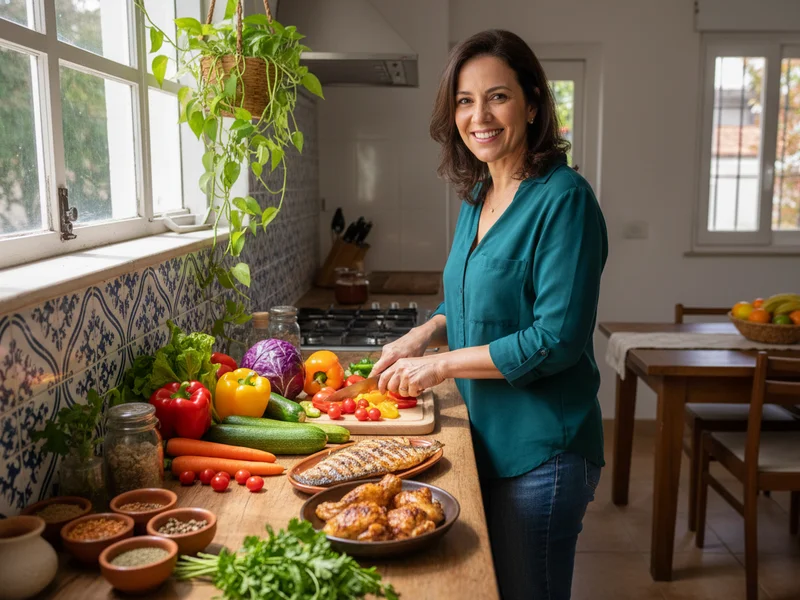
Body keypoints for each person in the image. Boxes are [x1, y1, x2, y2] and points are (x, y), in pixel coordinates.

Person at [370, 29, 608, 600]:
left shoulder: (565, 199)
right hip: (483, 443)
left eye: (497, 96)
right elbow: (471, 299)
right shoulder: (478, 195)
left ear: (531, 102)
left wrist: (444, 365)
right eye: (464, 99)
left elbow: (556, 340)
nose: (480, 115)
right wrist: (423, 333)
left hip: (541, 455)